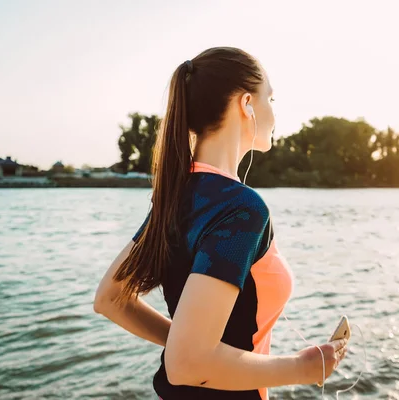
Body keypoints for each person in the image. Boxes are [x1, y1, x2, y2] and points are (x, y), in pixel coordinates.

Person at [93, 46, 348, 399]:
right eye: (270, 100)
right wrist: (302, 367)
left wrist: (184, 337)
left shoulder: (177, 197)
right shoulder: (241, 208)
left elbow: (109, 298)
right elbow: (185, 364)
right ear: (246, 105)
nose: (274, 114)